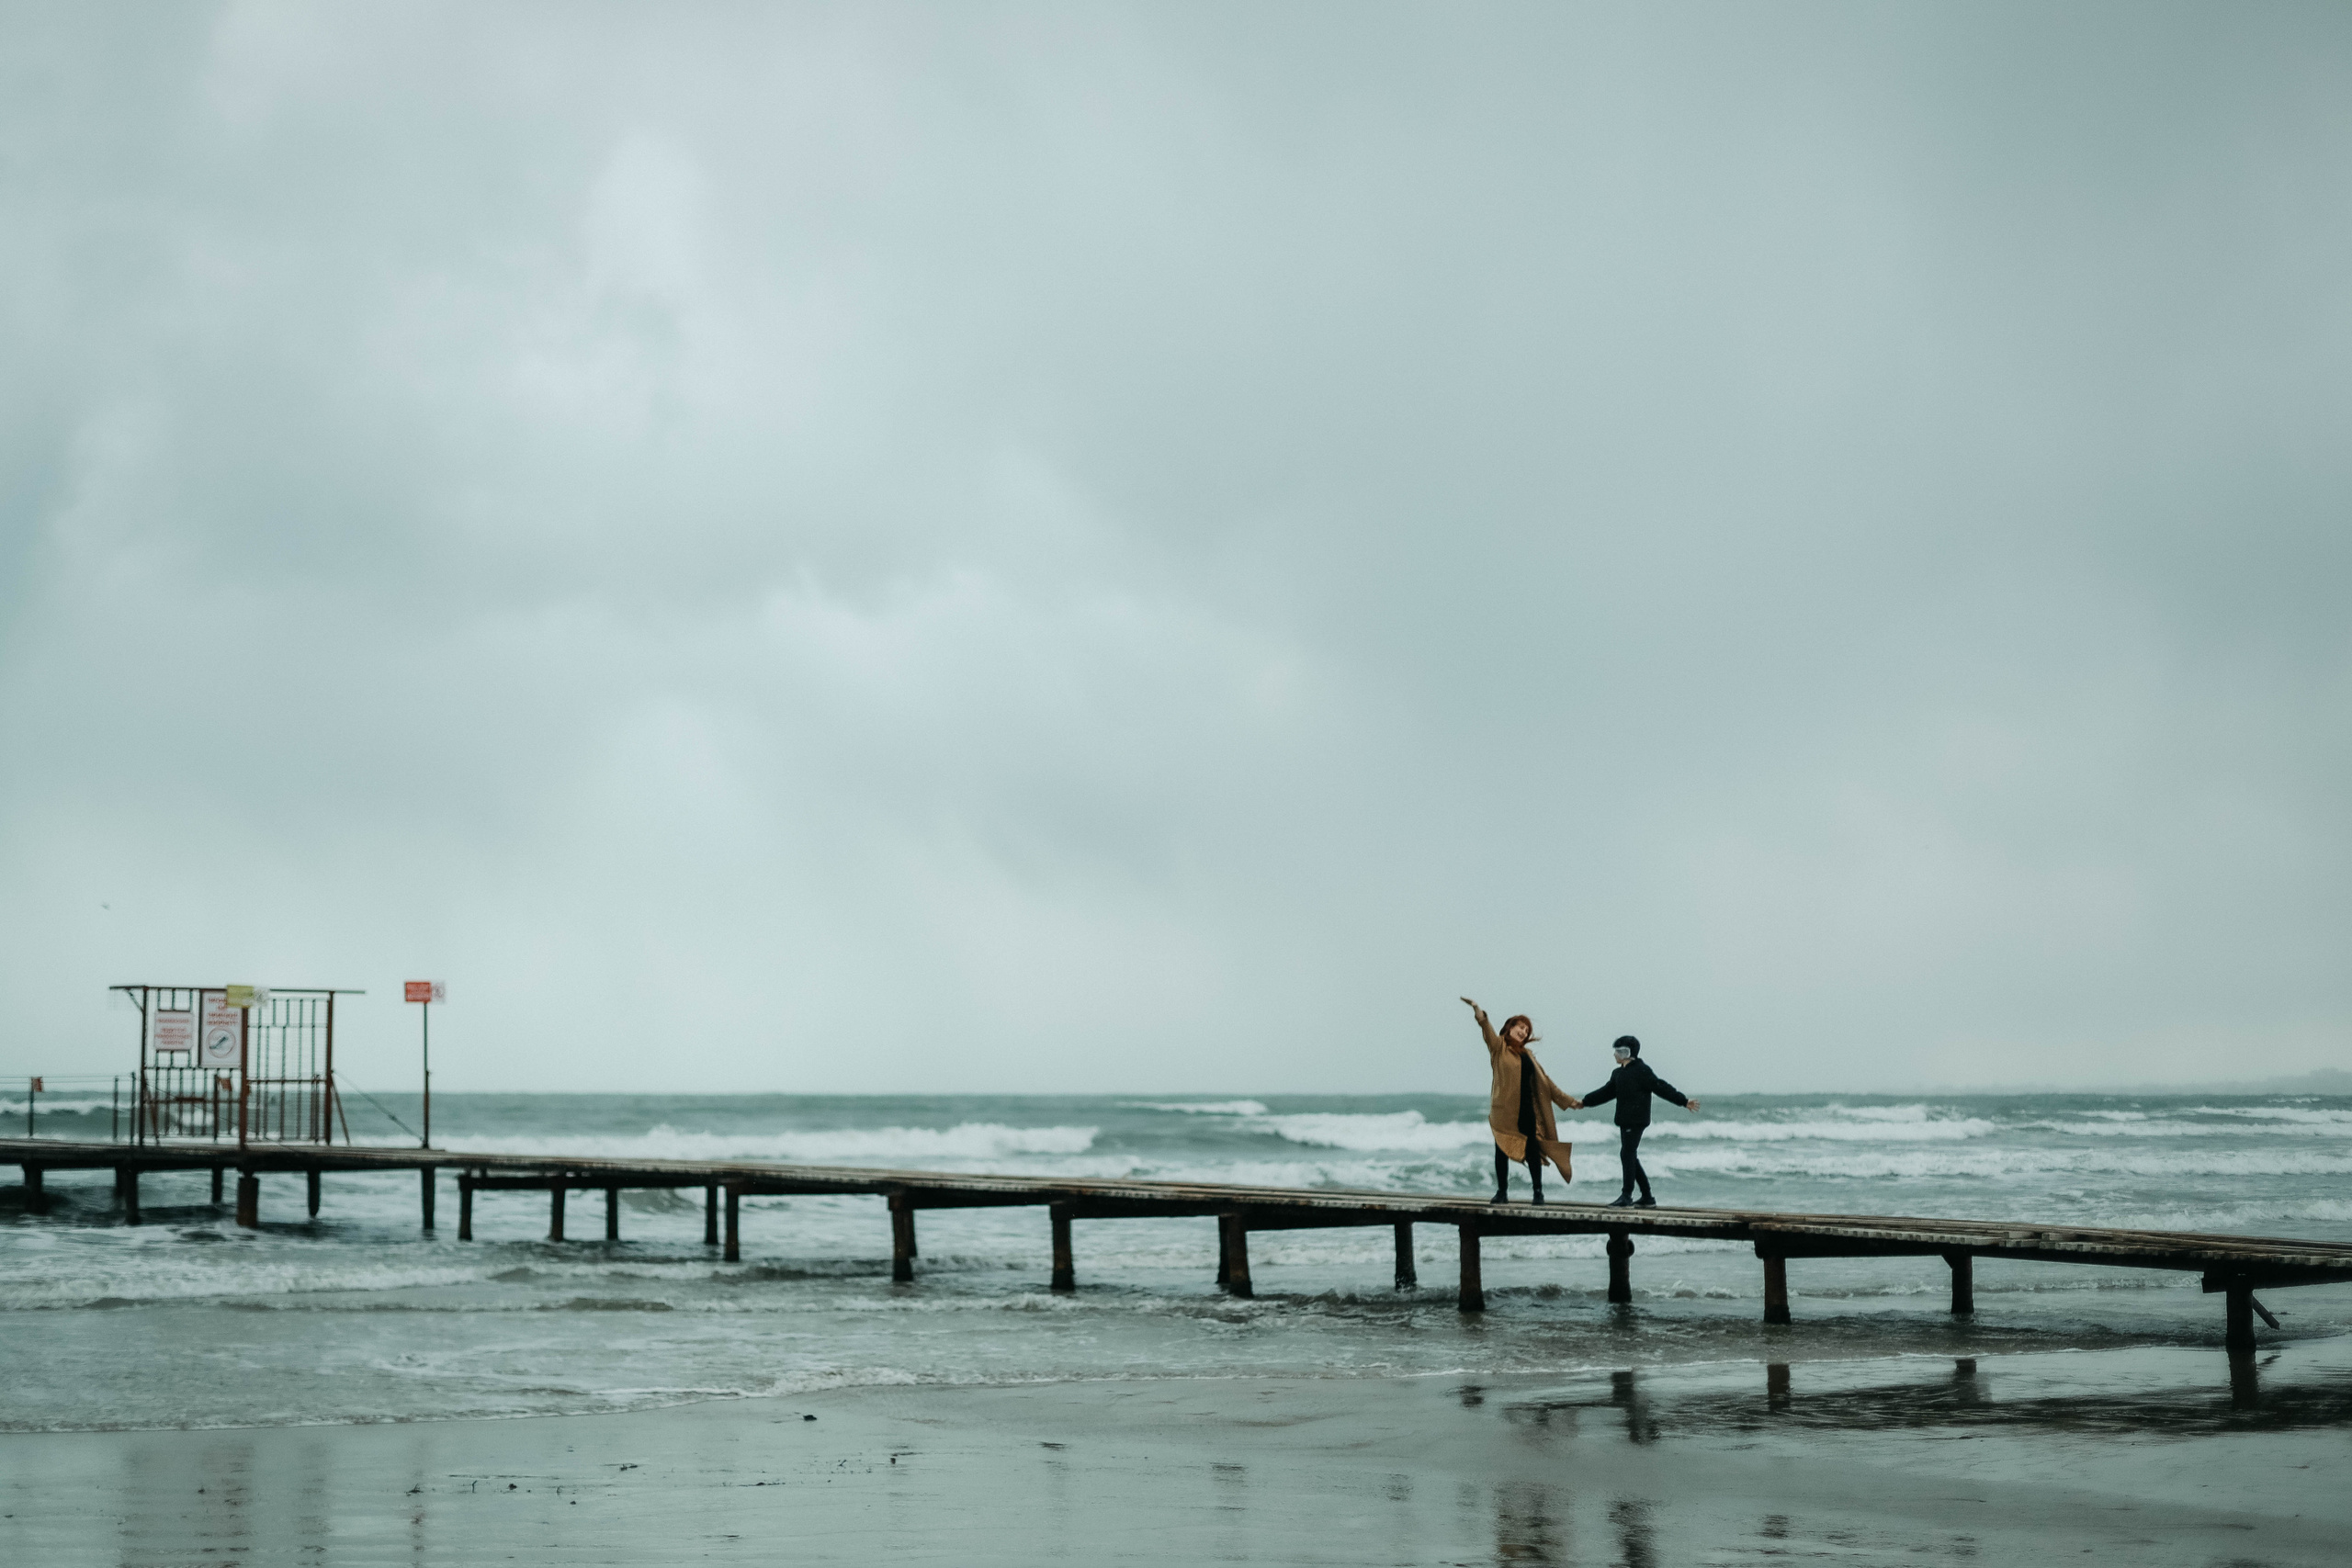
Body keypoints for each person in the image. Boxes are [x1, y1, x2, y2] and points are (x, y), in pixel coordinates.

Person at [1460, 998, 1579, 1203]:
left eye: (1527, 1030)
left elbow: (1546, 1082)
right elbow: (1486, 1028)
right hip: (1504, 1110)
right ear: (1510, 1027)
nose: (1524, 1032)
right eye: (1521, 1027)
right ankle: (1502, 1192)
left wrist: (1569, 1101)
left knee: (1532, 1150)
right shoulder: (1499, 1048)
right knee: (1501, 1151)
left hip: (1527, 1110)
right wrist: (1477, 1010)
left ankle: (1538, 1193)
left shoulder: (1529, 1055)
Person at [1580, 1035, 1699, 1208]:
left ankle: (1626, 1196)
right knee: (1629, 1155)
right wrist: (1585, 1102)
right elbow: (1606, 1092)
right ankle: (1647, 1197)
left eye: (1617, 1051)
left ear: (1625, 1052)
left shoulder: (1641, 1070)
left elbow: (1660, 1087)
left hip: (1636, 1121)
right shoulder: (1618, 1073)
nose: (1614, 1055)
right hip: (1624, 1120)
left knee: (1627, 1154)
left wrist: (1683, 1101)